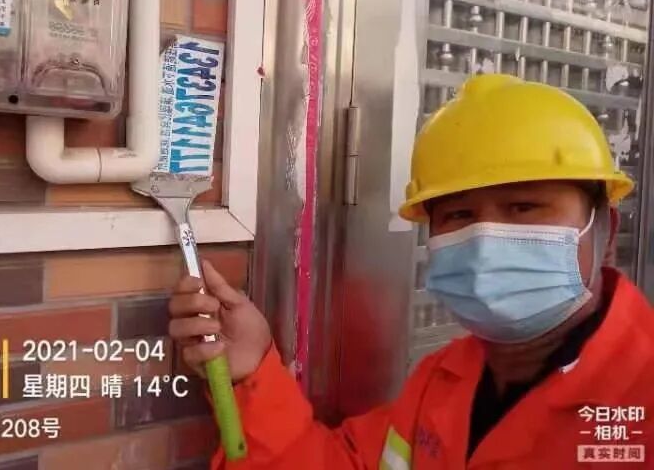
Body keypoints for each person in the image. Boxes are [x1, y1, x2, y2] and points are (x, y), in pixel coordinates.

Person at [168, 74, 654, 468]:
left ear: (605, 231)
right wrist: (251, 372)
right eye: (459, 215)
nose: (486, 240)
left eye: (524, 207)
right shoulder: (441, 383)